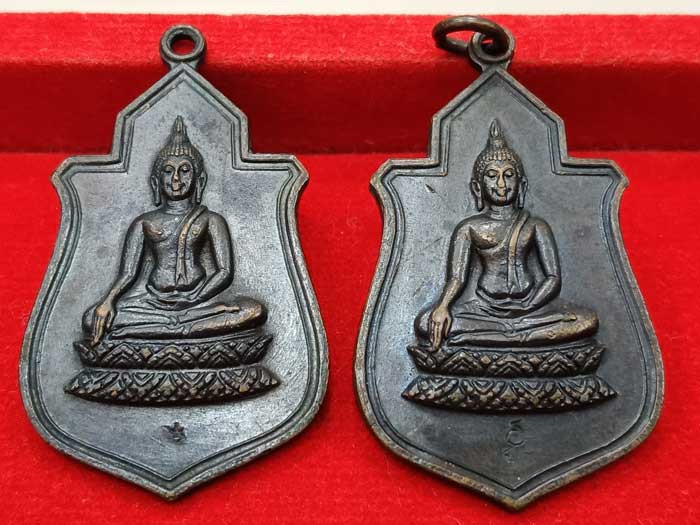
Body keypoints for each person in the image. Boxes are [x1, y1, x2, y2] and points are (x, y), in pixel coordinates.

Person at [83, 116, 265, 345]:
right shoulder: (144, 222)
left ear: (199, 179)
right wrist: (108, 301)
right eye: (168, 171)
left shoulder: (211, 219)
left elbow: (225, 271)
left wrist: (195, 297)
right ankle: (180, 327)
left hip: (199, 301)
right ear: (156, 181)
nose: (176, 178)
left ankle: (160, 329)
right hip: (152, 303)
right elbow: (128, 274)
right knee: (90, 318)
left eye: (185, 170)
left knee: (253, 310)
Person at [416, 120, 597, 349]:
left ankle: (497, 337)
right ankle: (515, 335)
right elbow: (457, 278)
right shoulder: (469, 228)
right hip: (484, 309)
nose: (501, 183)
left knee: (587, 321)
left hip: (531, 308)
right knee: (425, 323)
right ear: (477, 187)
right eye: (492, 176)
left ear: (521, 184)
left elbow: (553, 278)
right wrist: (443, 306)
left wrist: (529, 305)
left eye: (508, 175)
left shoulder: (535, 225)